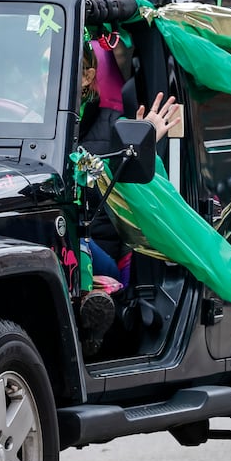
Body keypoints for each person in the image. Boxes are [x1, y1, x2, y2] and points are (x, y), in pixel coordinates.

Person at [74, 42, 181, 353]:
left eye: (57, 67)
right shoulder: (27, 121)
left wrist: (146, 139)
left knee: (71, 244)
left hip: (97, 249)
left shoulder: (113, 125)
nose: (47, 76)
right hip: (49, 244)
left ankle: (95, 323)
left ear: (87, 76)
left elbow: (137, 189)